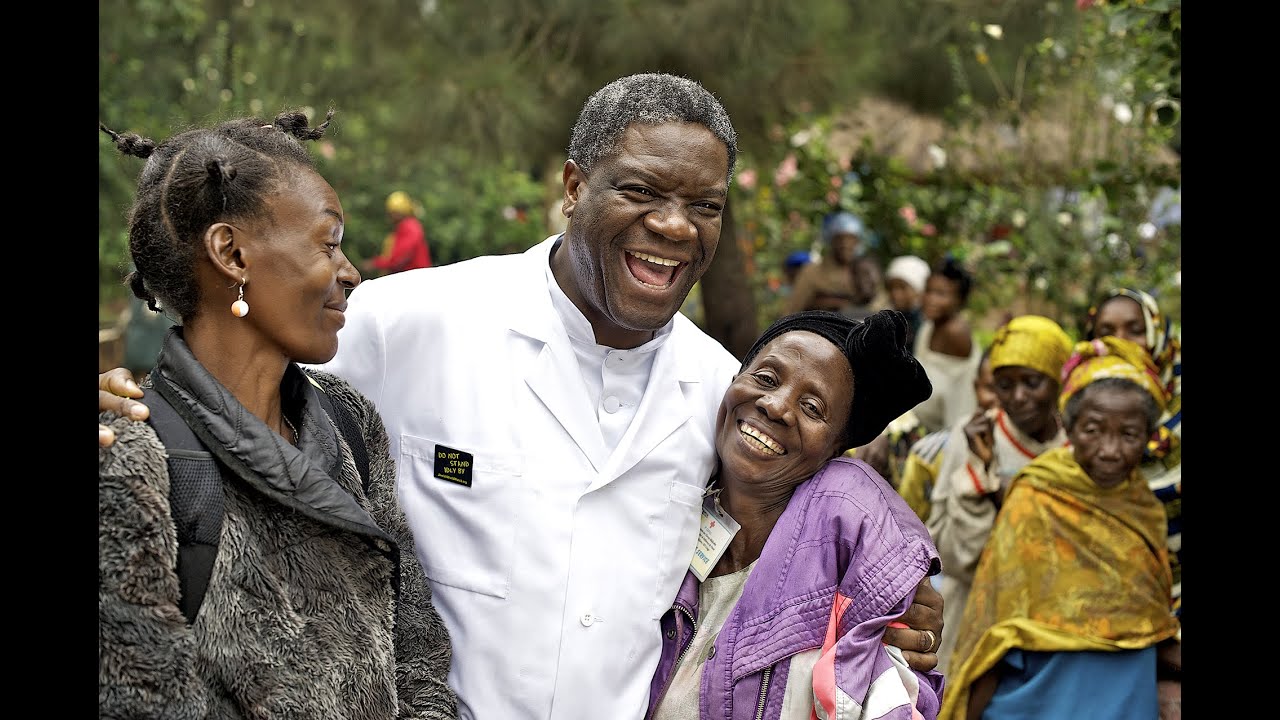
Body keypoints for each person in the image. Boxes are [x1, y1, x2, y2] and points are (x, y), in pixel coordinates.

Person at [97, 73, 943, 720]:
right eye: (643, 191)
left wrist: (890, 604)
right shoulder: (412, 322)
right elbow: (224, 380)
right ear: (575, 187)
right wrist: (117, 405)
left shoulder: (725, 394)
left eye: (705, 206)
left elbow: (788, 557)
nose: (676, 226)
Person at [97, 111, 456, 717]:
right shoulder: (136, 457)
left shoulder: (350, 422)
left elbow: (415, 647)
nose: (350, 272)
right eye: (328, 243)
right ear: (232, 253)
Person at [647, 310, 942, 720]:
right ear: (733, 381)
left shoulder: (845, 585)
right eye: (766, 379)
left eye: (812, 407)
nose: (775, 406)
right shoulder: (658, 504)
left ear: (835, 448)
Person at [937, 336, 1181, 720]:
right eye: (1093, 430)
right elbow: (997, 617)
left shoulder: (1145, 510)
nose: (1109, 449)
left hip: (1127, 699)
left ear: (1150, 437)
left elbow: (1149, 620)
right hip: (1035, 699)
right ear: (1069, 425)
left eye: (1129, 434)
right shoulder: (1036, 493)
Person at [925, 314, 1073, 673]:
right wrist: (980, 475)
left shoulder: (1078, 442)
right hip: (977, 616)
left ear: (1058, 380)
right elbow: (954, 554)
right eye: (1004, 385)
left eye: (1032, 383)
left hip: (1057, 623)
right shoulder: (974, 437)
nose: (1018, 398)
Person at [1086, 287, 1181, 620]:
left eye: (1135, 330)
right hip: (1109, 612)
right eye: (1107, 332)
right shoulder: (1074, 419)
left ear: (1157, 334)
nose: (1121, 342)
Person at [896, 345, 998, 523]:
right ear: (976, 387)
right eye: (993, 388)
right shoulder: (928, 457)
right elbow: (908, 528)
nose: (1009, 398)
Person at [909, 256, 982, 436]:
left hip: (951, 432)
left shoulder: (955, 333)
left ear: (959, 300)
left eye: (941, 294)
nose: (930, 299)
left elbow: (960, 399)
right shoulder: (929, 326)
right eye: (929, 291)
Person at [785, 211, 866, 315]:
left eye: (851, 238)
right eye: (840, 238)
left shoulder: (864, 273)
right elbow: (791, 310)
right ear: (831, 240)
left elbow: (878, 307)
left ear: (857, 242)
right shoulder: (812, 272)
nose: (845, 244)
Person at [363, 190, 432, 275]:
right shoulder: (407, 226)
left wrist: (375, 264)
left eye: (392, 213)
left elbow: (400, 258)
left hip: (416, 278)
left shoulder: (409, 226)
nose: (389, 216)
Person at [883, 255, 931, 349]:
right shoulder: (887, 320)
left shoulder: (926, 323)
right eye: (891, 288)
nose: (895, 294)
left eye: (902, 287)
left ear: (919, 291)